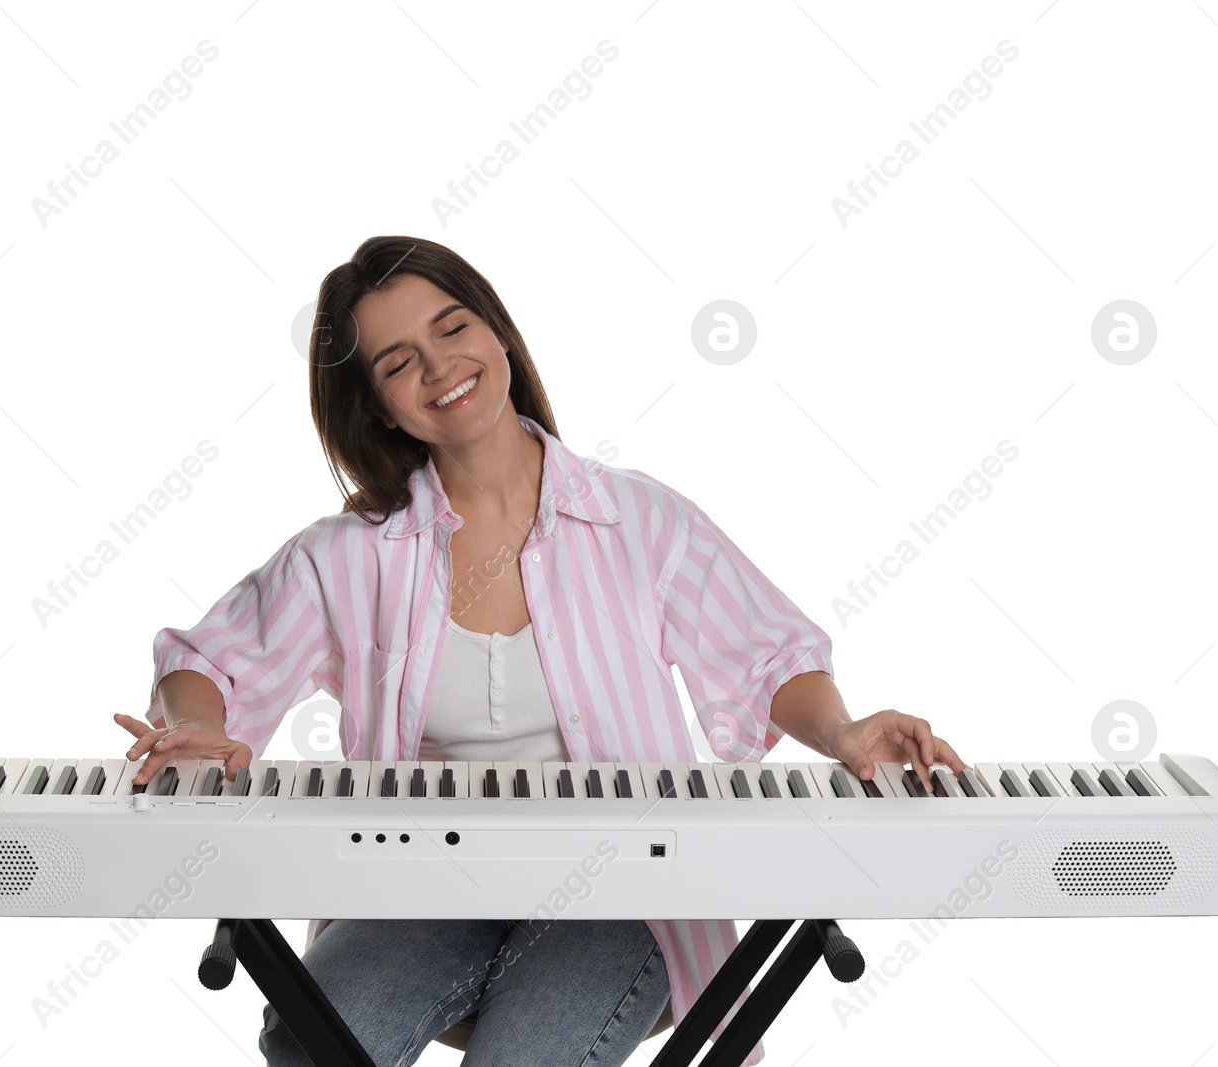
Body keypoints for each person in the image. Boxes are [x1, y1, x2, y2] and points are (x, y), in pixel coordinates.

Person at [112, 236, 966, 1066]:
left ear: (497, 333)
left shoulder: (637, 518)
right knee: (314, 1034)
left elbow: (770, 653)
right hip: (422, 890)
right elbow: (208, 658)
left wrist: (844, 732)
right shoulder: (351, 553)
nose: (440, 366)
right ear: (376, 403)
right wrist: (197, 724)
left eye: (451, 328)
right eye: (398, 361)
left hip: (621, 892)